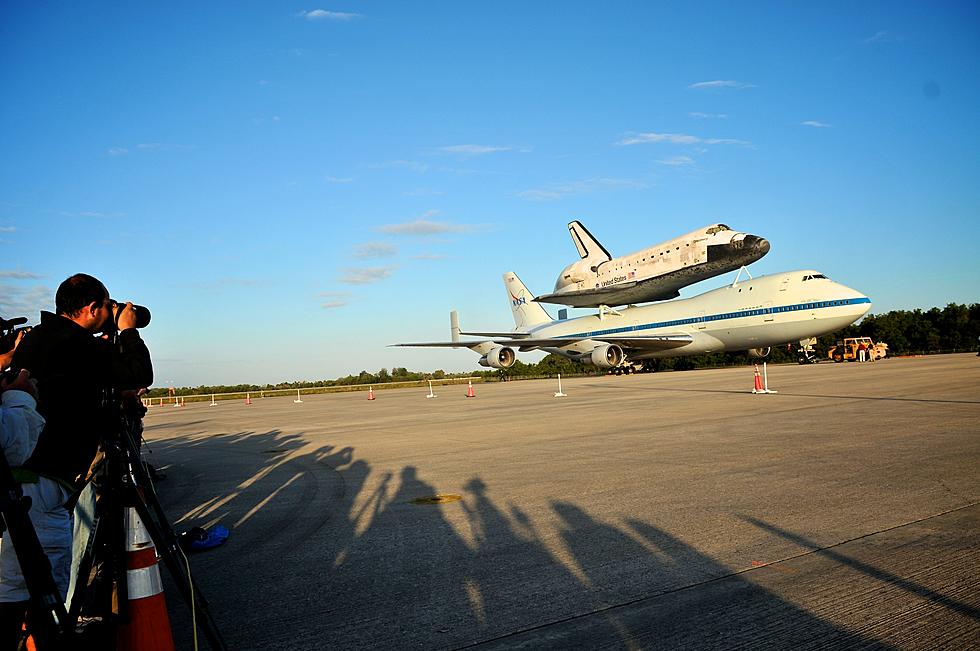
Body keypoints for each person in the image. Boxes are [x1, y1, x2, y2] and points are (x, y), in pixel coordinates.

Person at [0, 273, 152, 646]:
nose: (112, 312)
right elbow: (139, 373)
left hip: (28, 483)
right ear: (91, 309)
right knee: (39, 592)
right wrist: (128, 332)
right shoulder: (74, 343)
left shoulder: (42, 338)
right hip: (43, 487)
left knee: (18, 588)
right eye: (107, 306)